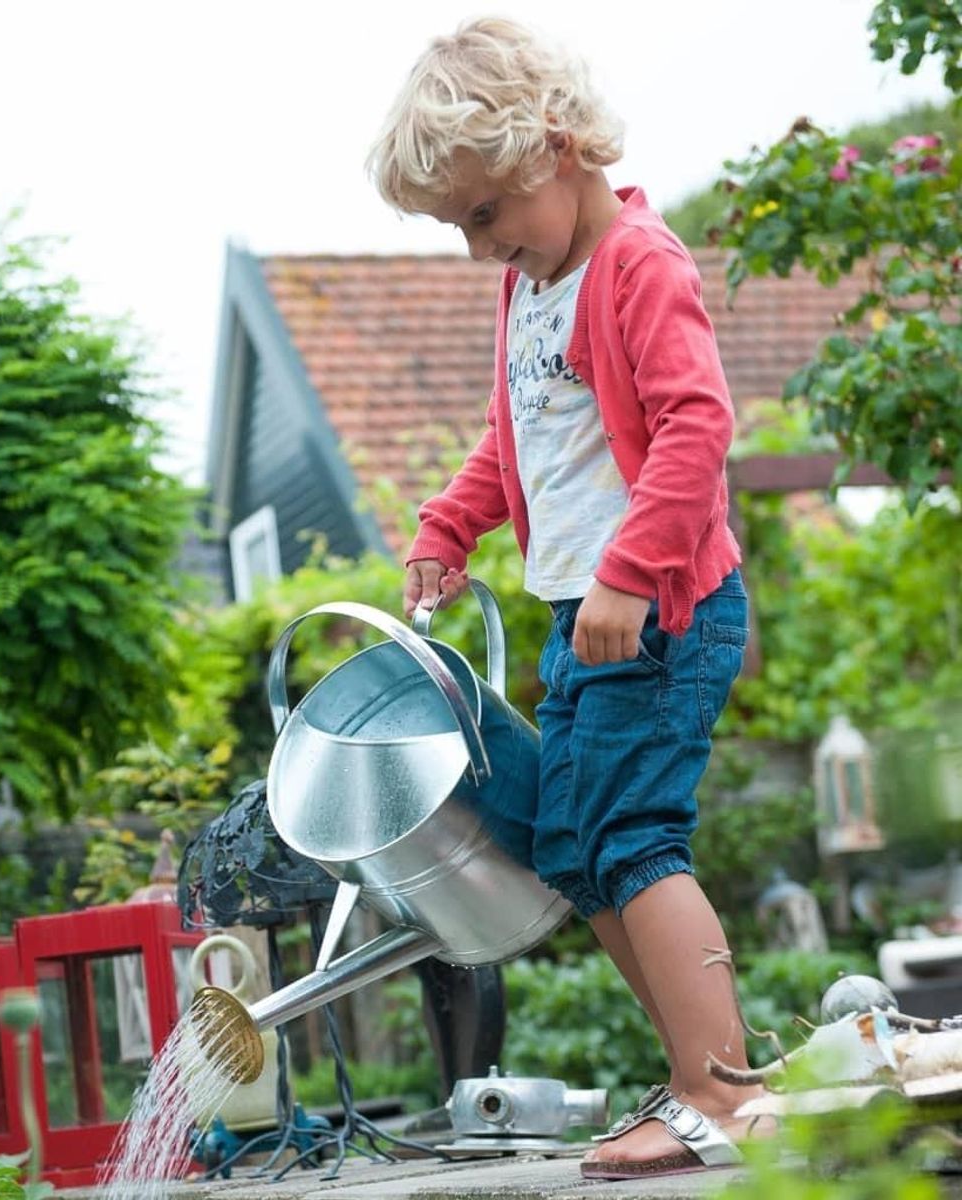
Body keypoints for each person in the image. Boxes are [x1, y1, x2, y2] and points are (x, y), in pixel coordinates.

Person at [365, 17, 764, 1181]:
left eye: (484, 214)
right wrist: (448, 525)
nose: (480, 248)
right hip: (584, 620)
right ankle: (707, 1072)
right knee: (573, 850)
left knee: (636, 838)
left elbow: (698, 431)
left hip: (663, 611)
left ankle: (718, 1093)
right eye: (461, 228)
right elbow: (520, 443)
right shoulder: (532, 290)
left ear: (552, 146)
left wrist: (631, 578)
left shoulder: (637, 265)